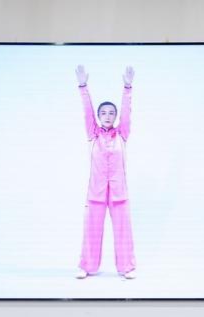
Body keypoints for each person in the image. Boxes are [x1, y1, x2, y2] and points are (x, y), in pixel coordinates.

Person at [74, 64, 136, 280]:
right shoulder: (93, 134)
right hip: (96, 192)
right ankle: (86, 266)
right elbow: (87, 112)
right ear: (99, 116)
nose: (107, 116)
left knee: (123, 230)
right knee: (92, 229)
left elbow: (127, 113)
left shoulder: (122, 134)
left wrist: (127, 88)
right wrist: (83, 86)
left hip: (119, 193)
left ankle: (127, 267)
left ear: (115, 116)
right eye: (103, 113)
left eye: (111, 113)